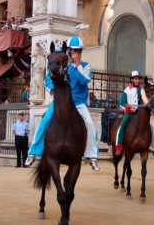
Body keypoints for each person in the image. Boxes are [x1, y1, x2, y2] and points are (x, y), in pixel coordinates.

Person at [25, 36, 100, 171]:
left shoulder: (85, 66)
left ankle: (92, 156)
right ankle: (33, 152)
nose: (76, 53)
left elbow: (84, 81)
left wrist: (76, 66)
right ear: (69, 51)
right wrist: (53, 88)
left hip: (78, 103)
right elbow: (48, 79)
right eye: (73, 50)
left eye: (78, 50)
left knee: (89, 123)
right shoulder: (62, 64)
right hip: (61, 102)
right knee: (45, 120)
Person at [114, 71, 154, 160]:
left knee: (152, 127)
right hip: (129, 112)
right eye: (136, 78)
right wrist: (126, 107)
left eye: (139, 79)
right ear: (131, 79)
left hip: (139, 112)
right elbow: (122, 103)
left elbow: (144, 97)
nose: (138, 80)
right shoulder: (127, 90)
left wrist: (147, 103)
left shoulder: (142, 89)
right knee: (122, 125)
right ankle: (119, 146)